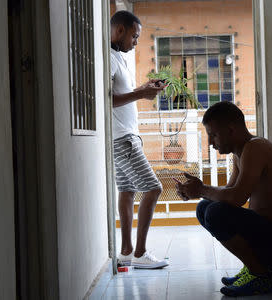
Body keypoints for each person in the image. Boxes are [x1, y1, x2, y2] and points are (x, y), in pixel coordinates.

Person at [175, 101, 272, 296]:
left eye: (213, 135)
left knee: (215, 212)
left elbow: (236, 198)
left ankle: (261, 275)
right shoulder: (240, 154)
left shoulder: (256, 147)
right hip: (270, 238)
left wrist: (201, 189)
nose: (210, 142)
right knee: (205, 208)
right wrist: (195, 191)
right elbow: (226, 195)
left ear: (231, 129)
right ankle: (255, 268)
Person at [111, 10, 168, 269]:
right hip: (123, 140)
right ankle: (141, 253)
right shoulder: (109, 59)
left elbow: (123, 94)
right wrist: (141, 95)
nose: (136, 42)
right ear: (120, 30)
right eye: (134, 36)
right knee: (153, 188)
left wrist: (144, 89)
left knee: (127, 191)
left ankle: (126, 251)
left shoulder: (120, 58)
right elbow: (108, 100)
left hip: (125, 136)